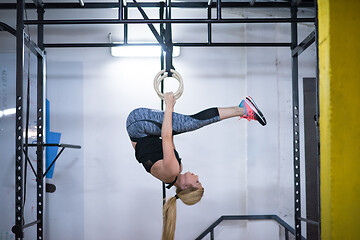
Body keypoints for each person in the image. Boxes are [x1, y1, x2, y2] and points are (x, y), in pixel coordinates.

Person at [126, 92, 266, 240]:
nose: (197, 177)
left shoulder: (172, 170)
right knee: (186, 124)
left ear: (186, 187)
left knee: (191, 123)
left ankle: (243, 109)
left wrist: (169, 105)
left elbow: (166, 136)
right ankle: (241, 109)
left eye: (197, 182)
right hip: (142, 129)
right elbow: (170, 135)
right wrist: (172, 115)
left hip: (138, 124)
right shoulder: (174, 172)